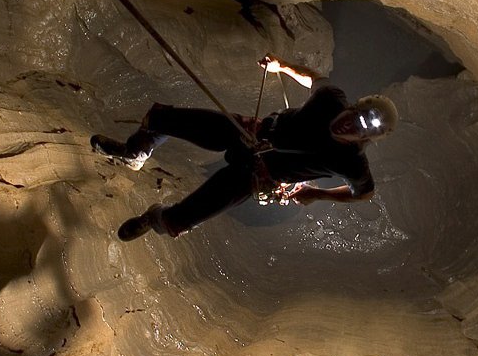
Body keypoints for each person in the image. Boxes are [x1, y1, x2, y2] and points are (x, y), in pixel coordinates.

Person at [91, 59, 397, 241]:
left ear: (365, 139)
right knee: (162, 118)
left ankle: (153, 218)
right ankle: (135, 154)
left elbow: (365, 193)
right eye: (355, 116)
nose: (350, 125)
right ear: (354, 106)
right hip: (250, 134)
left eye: (359, 129)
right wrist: (282, 66)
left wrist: (318, 194)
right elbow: (314, 79)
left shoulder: (352, 162)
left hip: (256, 175)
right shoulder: (331, 99)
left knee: (179, 221)